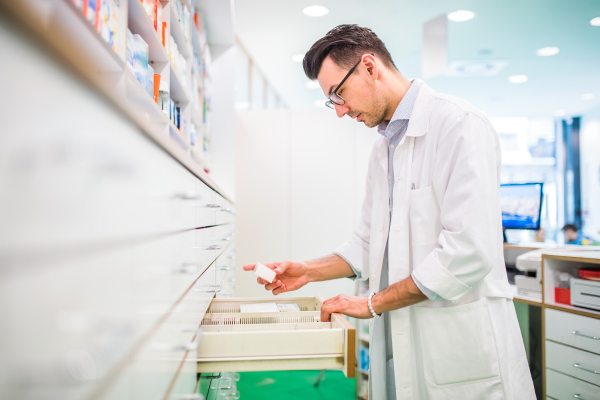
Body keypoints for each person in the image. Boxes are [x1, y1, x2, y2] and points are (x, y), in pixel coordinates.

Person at [243, 25, 535, 400]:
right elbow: (369, 242)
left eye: (339, 94)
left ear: (369, 66)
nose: (340, 111)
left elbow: (468, 252)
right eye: (332, 101)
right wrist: (308, 271)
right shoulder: (383, 151)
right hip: (404, 345)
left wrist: (370, 303)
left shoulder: (460, 125)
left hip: (461, 351)